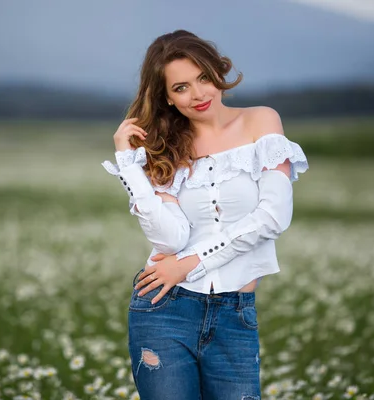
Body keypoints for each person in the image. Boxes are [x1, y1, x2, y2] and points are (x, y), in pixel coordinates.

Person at [102, 29, 308, 400]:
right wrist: (129, 165)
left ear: (218, 72)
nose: (198, 94)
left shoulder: (261, 122)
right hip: (164, 308)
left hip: (235, 312)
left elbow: (273, 217)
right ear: (165, 96)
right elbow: (169, 240)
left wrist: (189, 263)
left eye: (203, 78)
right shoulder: (164, 146)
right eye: (181, 87)